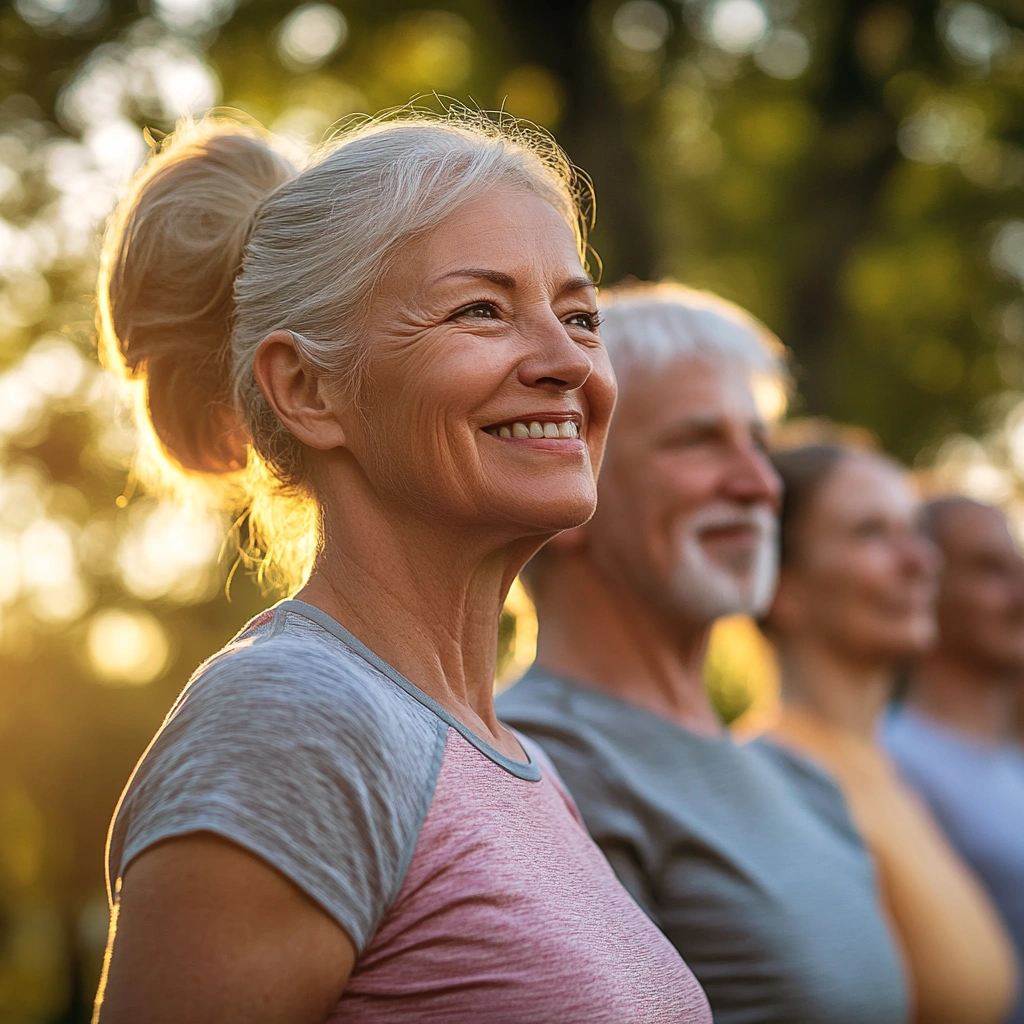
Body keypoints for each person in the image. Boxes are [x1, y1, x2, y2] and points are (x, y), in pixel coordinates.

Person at [92, 114, 713, 1023]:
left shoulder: (517, 761)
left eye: (580, 318)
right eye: (480, 310)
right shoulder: (293, 724)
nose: (566, 362)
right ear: (307, 389)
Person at [497, 282, 909, 1024]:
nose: (760, 485)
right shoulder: (534, 768)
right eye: (698, 440)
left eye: (758, 443)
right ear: (568, 491)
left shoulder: (805, 782)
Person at [764, 445, 1018, 1024]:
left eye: (914, 532)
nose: (922, 561)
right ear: (784, 586)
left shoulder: (881, 769)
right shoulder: (783, 778)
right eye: (871, 533)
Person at [886, 497, 1024, 1024]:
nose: (1020, 591)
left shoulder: (1009, 760)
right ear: (927, 583)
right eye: (990, 569)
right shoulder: (893, 764)